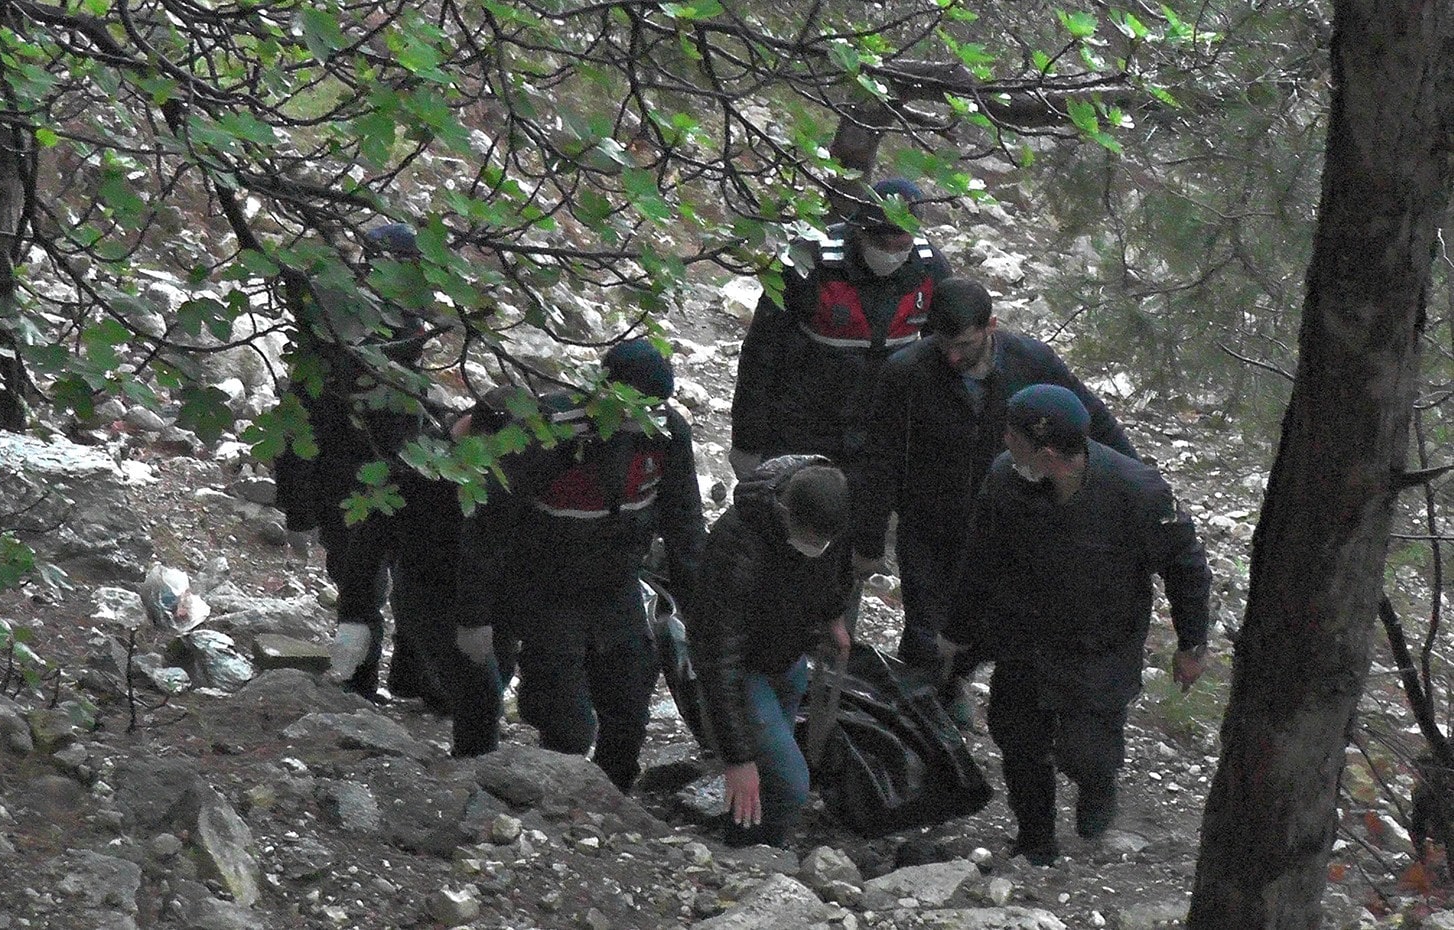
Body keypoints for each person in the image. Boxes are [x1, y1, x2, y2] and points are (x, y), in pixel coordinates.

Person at [941, 384, 1211, 865]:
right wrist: (956, 632)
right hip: (1026, 636)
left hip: (1100, 645)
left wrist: (1192, 644)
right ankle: (1036, 839)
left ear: (1046, 454)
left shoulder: (1138, 493)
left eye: (1011, 434)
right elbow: (979, 560)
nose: (1003, 440)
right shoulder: (1005, 480)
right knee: (1017, 738)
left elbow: (1186, 566)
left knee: (1086, 752)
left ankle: (1097, 787)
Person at [850, 277, 1138, 722]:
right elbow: (880, 460)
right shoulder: (906, 373)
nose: (952, 356)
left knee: (992, 622)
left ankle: (956, 686)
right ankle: (923, 714)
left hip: (1009, 521)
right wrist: (868, 541)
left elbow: (1089, 418)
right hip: (929, 522)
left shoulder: (1032, 361)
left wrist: (1136, 481)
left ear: (992, 327)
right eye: (942, 343)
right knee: (927, 627)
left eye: (964, 343)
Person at [452, 339, 706, 786]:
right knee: (567, 721)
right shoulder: (548, 429)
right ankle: (551, 794)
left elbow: (684, 523)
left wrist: (703, 615)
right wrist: (475, 617)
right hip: (543, 583)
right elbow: (490, 525)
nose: (639, 421)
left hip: (618, 580)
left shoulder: (666, 433)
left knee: (629, 704)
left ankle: (614, 799)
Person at [272, 222, 448, 704]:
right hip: (369, 474)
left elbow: (300, 418)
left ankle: (376, 680)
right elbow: (305, 418)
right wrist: (298, 500)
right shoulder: (359, 328)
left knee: (375, 586)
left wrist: (297, 499)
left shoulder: (353, 321)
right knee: (374, 587)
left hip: (376, 473)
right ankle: (378, 681)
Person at [729, 177, 951, 476]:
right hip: (803, 427)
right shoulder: (809, 262)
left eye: (902, 245)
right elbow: (761, 355)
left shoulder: (930, 269)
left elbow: (942, 357)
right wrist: (747, 441)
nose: (891, 254)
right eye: (881, 243)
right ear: (858, 231)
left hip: (882, 431)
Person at [684, 456, 853, 848]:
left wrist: (832, 617)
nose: (817, 548)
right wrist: (737, 759)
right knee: (790, 783)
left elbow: (831, 570)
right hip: (745, 668)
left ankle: (746, 840)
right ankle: (759, 855)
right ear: (785, 512)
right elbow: (718, 657)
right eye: (810, 539)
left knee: (770, 773)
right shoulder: (738, 546)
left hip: (787, 657)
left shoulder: (830, 514)